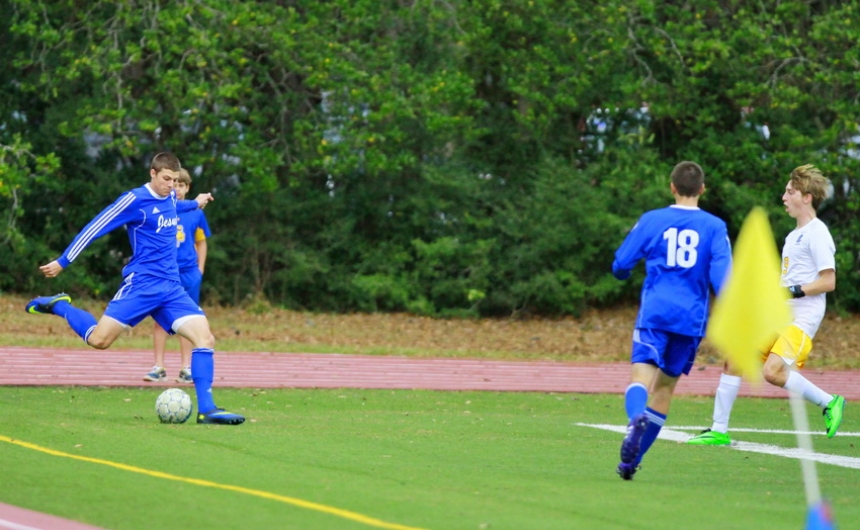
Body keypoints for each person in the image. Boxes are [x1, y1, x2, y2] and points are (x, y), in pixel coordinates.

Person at [25, 152, 244, 425]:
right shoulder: (134, 200)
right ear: (152, 173)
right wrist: (63, 261)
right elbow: (95, 227)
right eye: (166, 179)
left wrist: (196, 203)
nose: (171, 186)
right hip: (141, 285)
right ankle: (59, 305)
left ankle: (207, 410)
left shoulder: (171, 198)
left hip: (171, 288)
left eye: (175, 181)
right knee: (99, 341)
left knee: (205, 338)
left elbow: (176, 205)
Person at [688, 164, 844, 446]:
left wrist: (791, 291)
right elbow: (786, 279)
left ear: (806, 197)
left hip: (800, 321)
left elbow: (828, 281)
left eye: (790, 191)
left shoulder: (817, 233)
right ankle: (718, 430)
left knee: (773, 372)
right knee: (735, 357)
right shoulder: (793, 236)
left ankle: (829, 401)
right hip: (780, 316)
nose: (784, 197)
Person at [611, 161, 732, 480]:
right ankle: (631, 463)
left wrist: (623, 272)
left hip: (656, 313)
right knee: (664, 390)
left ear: (672, 187)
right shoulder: (715, 227)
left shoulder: (653, 220)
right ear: (702, 189)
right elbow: (723, 281)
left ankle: (634, 419)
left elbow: (621, 263)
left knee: (641, 378)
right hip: (691, 320)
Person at [145, 168, 211, 384]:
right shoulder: (161, 208)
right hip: (164, 273)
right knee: (160, 318)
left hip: (188, 272)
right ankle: (159, 365)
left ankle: (186, 367)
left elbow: (201, 241)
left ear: (187, 188)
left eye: (182, 185)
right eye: (175, 184)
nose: (177, 189)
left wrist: (200, 269)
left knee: (188, 320)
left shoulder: (195, 212)